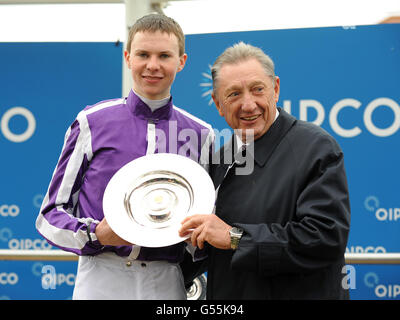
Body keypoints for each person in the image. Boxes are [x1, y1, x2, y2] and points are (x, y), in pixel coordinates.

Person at [36, 13, 214, 300]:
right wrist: (95, 235)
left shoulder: (203, 135)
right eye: (143, 54)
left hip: (167, 278)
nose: (152, 65)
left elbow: (203, 222)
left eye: (164, 56)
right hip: (101, 274)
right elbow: (50, 216)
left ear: (181, 62)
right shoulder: (91, 122)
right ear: (128, 58)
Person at [179, 42, 351, 299]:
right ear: (217, 103)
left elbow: (325, 238)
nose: (249, 105)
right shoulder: (219, 160)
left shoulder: (316, 147)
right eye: (234, 94)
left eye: (258, 89)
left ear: (276, 89)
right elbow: (208, 243)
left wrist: (235, 237)